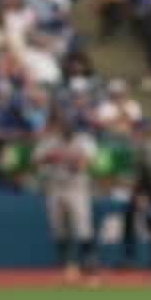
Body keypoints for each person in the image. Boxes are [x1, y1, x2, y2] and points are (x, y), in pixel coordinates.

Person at [39, 119, 99, 281]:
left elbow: (89, 162)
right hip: (55, 187)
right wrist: (52, 157)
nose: (66, 129)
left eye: (69, 126)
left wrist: (71, 159)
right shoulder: (50, 141)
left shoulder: (84, 140)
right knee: (59, 229)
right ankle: (68, 268)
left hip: (77, 187)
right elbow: (37, 159)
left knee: (83, 227)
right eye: (63, 126)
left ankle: (89, 268)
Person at [119, 135, 151, 272]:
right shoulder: (135, 160)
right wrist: (136, 197)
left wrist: (145, 198)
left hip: (150, 196)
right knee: (128, 220)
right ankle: (129, 258)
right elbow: (134, 182)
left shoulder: (147, 159)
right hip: (138, 196)